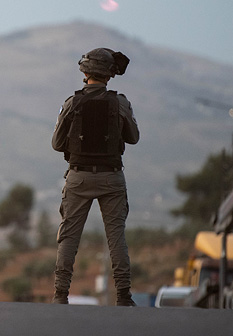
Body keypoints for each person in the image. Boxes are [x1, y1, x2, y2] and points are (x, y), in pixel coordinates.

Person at [51, 48, 139, 306]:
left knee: (69, 237)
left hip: (78, 179)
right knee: (116, 238)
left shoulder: (72, 103)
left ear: (86, 72)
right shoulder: (120, 103)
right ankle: (123, 296)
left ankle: (60, 295)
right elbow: (133, 138)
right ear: (109, 75)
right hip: (112, 178)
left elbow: (57, 144)